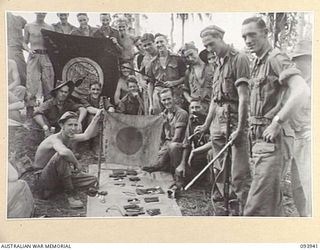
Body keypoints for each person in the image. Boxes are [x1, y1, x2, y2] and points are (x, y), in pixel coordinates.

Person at [241, 17, 309, 216]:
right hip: (261, 141)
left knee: (255, 209)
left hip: (274, 141)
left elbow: (301, 90)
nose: (248, 40)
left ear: (265, 33)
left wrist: (277, 122)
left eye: (252, 34)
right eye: (244, 36)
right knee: (270, 204)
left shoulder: (275, 58)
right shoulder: (258, 63)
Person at [195, 25, 252, 212]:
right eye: (205, 46)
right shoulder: (217, 64)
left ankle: (244, 210)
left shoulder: (239, 59)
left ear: (221, 37)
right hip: (218, 120)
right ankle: (225, 205)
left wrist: (240, 128)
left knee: (239, 171)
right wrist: (206, 124)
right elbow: (214, 98)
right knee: (220, 167)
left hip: (234, 118)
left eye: (211, 44)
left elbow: (244, 97)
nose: (209, 50)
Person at [34, 110, 102, 208]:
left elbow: (86, 135)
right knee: (61, 156)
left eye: (75, 125)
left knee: (92, 179)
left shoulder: (68, 137)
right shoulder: (55, 139)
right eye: (70, 125)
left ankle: (58, 188)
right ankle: (70, 194)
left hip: (57, 176)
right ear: (62, 126)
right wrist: (76, 163)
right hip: (43, 178)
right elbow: (63, 152)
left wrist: (96, 118)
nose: (73, 128)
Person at [289, 40, 312, 216]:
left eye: (301, 58)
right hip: (297, 139)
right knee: (297, 188)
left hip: (309, 139)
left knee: (310, 187)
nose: (296, 63)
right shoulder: (297, 84)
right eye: (295, 59)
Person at [143, 88, 188, 175]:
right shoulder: (163, 114)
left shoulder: (181, 113)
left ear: (173, 98)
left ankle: (177, 174)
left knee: (171, 147)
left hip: (178, 147)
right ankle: (163, 165)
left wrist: (162, 155)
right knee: (146, 162)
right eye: (164, 100)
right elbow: (162, 137)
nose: (167, 102)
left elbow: (177, 138)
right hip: (166, 146)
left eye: (169, 99)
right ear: (161, 101)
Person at [23, 12, 55, 119]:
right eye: (39, 12)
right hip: (34, 56)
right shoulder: (29, 26)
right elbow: (24, 42)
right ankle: (29, 114)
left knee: (49, 85)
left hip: (46, 56)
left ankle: (47, 113)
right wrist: (28, 50)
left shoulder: (49, 27)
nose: (42, 14)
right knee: (31, 84)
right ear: (36, 12)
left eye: (44, 12)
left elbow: (54, 43)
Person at [146, 33, 186, 115]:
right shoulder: (152, 63)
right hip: (158, 95)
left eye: (161, 42)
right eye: (157, 43)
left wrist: (174, 82)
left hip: (175, 93)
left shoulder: (177, 58)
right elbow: (150, 83)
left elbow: (185, 77)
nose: (159, 45)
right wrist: (151, 104)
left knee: (177, 116)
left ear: (167, 43)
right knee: (160, 119)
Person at [176, 98, 211, 182]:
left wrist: (195, 151)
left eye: (197, 107)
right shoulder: (192, 120)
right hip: (198, 155)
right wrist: (183, 163)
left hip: (210, 152)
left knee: (210, 153)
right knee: (175, 148)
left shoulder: (210, 121)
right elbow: (187, 143)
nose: (194, 110)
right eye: (192, 108)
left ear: (205, 108)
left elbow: (213, 142)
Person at [182, 42, 214, 113]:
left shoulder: (211, 67)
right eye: (187, 57)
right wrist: (190, 100)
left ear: (196, 50)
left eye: (191, 54)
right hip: (195, 109)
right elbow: (185, 90)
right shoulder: (188, 72)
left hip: (211, 107)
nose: (190, 58)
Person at [139, 33, 158, 114]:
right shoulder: (145, 57)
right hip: (148, 90)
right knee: (149, 113)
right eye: (145, 46)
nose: (147, 47)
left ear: (154, 42)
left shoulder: (162, 54)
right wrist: (141, 81)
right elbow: (141, 72)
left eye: (149, 44)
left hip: (160, 89)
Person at [7, 12, 27, 86]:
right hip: (7, 49)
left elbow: (27, 27)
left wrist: (23, 42)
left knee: (22, 72)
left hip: (16, 49)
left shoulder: (19, 19)